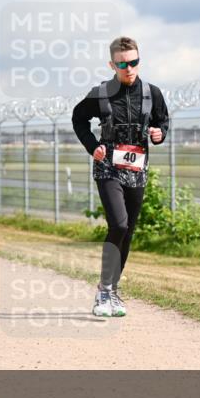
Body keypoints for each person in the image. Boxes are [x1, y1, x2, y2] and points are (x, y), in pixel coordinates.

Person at [71, 36, 169, 318]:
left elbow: (163, 122)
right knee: (119, 224)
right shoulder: (100, 93)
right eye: (123, 64)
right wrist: (93, 147)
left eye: (134, 62)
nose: (129, 68)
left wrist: (160, 134)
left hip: (137, 168)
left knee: (128, 231)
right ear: (112, 64)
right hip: (108, 167)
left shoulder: (153, 93)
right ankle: (103, 289)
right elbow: (78, 119)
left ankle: (112, 290)